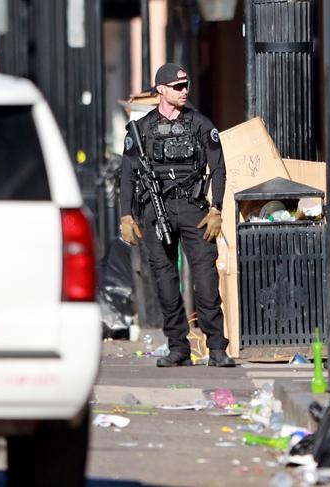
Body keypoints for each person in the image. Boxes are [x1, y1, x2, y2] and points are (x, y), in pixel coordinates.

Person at [119, 62, 234, 367]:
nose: (185, 91)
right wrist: (126, 216)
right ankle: (178, 347)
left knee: (207, 282)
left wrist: (216, 208)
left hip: (194, 210)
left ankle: (217, 348)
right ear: (160, 90)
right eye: (177, 86)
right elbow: (127, 174)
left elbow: (218, 169)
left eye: (186, 85)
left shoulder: (200, 124)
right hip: (155, 212)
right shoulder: (140, 129)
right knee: (166, 282)